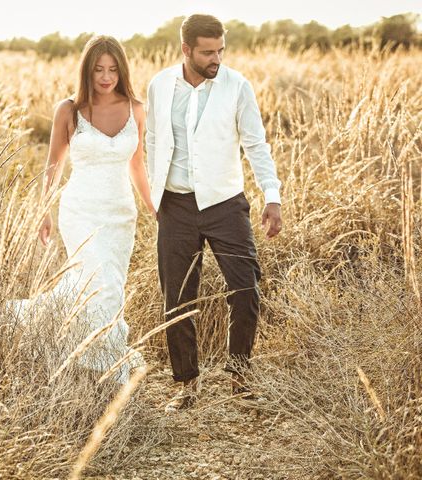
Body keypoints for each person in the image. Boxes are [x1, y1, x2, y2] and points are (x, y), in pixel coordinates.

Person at [145, 14, 282, 411]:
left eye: (220, 50)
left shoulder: (237, 86)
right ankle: (186, 384)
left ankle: (239, 373)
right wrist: (156, 194)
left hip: (225, 203)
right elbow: (153, 139)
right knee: (177, 298)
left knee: (245, 289)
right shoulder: (159, 86)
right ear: (185, 49)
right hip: (175, 205)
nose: (216, 58)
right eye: (207, 52)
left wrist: (272, 196)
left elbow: (256, 144)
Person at [11, 35, 154, 384]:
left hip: (120, 214)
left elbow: (137, 166)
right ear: (86, 72)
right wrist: (42, 211)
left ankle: (63, 340)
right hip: (79, 210)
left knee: (108, 287)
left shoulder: (136, 108)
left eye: (113, 69)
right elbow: (52, 166)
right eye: (98, 70)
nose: (106, 77)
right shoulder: (69, 110)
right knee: (98, 282)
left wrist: (156, 208)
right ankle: (105, 371)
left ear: (122, 71)